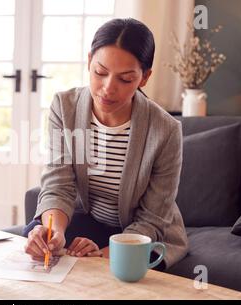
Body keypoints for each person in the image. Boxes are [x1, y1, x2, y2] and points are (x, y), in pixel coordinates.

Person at [23, 18, 188, 270]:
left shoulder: (166, 130)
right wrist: (52, 232)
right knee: (37, 238)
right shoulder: (64, 107)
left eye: (125, 79)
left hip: (138, 233)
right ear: (89, 62)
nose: (108, 88)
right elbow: (58, 185)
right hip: (87, 219)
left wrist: (105, 254)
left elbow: (153, 217)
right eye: (100, 72)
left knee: (124, 270)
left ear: (144, 78)